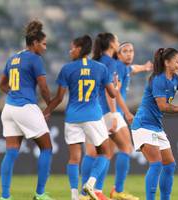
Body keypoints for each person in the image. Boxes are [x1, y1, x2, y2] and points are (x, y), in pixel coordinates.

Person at [43, 35, 117, 200]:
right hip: (93, 116)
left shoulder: (67, 69)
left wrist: (46, 110)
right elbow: (112, 93)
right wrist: (116, 86)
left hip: (72, 117)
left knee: (74, 158)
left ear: (81, 48)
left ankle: (74, 195)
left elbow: (59, 98)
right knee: (105, 152)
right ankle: (90, 184)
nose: (70, 51)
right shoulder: (100, 68)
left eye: (72, 47)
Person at [131, 48, 178, 200]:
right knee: (156, 164)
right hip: (143, 124)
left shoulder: (175, 79)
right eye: (177, 61)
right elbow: (163, 106)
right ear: (167, 62)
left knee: (169, 165)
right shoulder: (158, 79)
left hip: (156, 126)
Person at [0, 20, 54, 200]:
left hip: (9, 109)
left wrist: (13, 93)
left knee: (12, 151)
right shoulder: (35, 59)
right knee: (46, 148)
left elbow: (1, 85)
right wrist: (50, 104)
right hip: (25, 107)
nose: (45, 48)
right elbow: (44, 87)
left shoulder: (12, 58)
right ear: (35, 43)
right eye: (44, 44)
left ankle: (5, 196)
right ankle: (39, 193)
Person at [108, 42, 152, 200]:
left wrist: (145, 67)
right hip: (115, 113)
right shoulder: (119, 67)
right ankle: (117, 190)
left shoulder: (124, 68)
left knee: (104, 154)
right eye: (125, 51)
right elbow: (116, 93)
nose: (129, 54)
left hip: (105, 114)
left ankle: (91, 190)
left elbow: (133, 69)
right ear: (118, 55)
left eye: (131, 51)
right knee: (126, 148)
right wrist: (126, 112)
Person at [80, 32, 119, 200]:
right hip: (103, 112)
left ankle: (85, 194)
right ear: (111, 44)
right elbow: (108, 91)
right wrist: (114, 114)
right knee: (107, 152)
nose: (118, 43)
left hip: (90, 110)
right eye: (117, 40)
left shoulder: (95, 62)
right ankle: (97, 190)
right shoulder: (110, 63)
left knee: (91, 152)